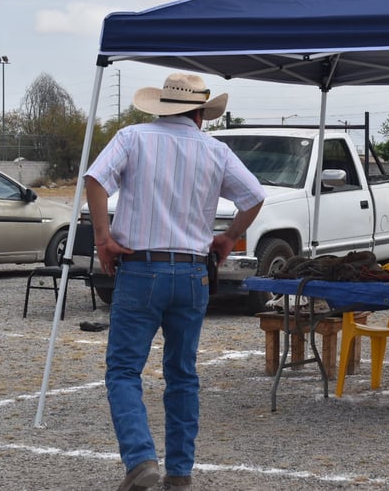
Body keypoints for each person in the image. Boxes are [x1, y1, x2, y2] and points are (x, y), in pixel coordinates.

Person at [84, 73, 266, 491]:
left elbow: (94, 179)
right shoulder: (215, 150)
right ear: (201, 114)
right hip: (192, 272)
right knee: (182, 373)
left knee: (124, 370)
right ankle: (180, 473)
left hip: (140, 270)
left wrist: (102, 238)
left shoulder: (133, 137)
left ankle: (141, 458)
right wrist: (229, 237)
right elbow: (254, 196)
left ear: (162, 106)